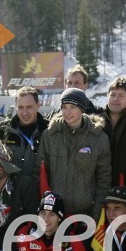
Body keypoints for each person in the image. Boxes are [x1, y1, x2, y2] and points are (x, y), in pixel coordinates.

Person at [41, 88, 111, 220]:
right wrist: (45, 211)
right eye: (64, 107)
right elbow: (40, 174)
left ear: (82, 108)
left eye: (73, 107)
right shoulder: (50, 135)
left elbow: (104, 178)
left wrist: (96, 213)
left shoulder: (98, 137)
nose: (67, 112)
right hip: (54, 214)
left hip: (85, 213)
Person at [0, 86, 50, 178]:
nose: (25, 113)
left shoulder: (49, 130)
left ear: (38, 106)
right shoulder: (2, 131)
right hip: (12, 189)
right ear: (16, 107)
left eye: (29, 107)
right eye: (21, 107)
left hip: (41, 189)